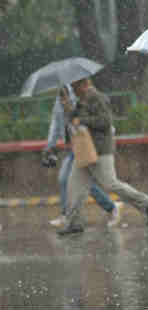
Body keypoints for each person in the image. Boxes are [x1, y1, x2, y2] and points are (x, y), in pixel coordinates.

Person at [57, 78, 148, 235]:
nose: (73, 90)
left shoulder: (97, 97)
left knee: (110, 183)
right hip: (86, 150)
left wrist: (82, 120)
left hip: (101, 149)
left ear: (84, 84)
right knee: (74, 185)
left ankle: (147, 203)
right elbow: (73, 119)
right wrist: (66, 105)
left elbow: (105, 121)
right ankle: (73, 223)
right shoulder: (81, 100)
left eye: (75, 86)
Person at [42, 85, 123, 228]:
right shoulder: (59, 100)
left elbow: (96, 119)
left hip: (86, 144)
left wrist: (72, 110)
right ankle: (110, 206)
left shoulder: (81, 95)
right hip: (74, 145)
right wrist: (50, 145)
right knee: (80, 182)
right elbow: (56, 123)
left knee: (68, 179)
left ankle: (68, 215)